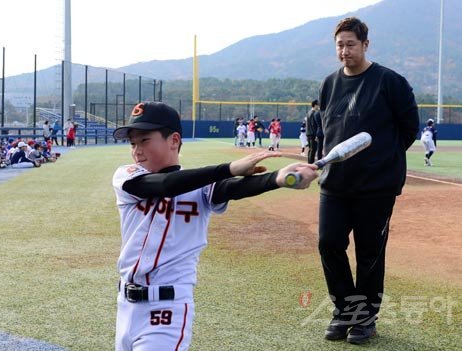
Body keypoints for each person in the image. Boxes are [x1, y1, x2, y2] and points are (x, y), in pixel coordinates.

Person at [111, 101, 318, 351]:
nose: (137, 151)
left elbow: (234, 187)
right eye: (133, 143)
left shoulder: (204, 187)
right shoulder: (128, 176)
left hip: (167, 309)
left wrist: (278, 178)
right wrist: (229, 169)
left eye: (144, 140)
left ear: (174, 140)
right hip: (125, 306)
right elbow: (165, 185)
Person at [317, 17, 419, 344]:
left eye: (350, 44)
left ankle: (364, 320)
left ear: (365, 45)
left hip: (376, 187)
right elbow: (326, 130)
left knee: (369, 253)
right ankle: (344, 311)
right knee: (329, 243)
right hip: (335, 184)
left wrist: (382, 162)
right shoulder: (329, 84)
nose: (344, 51)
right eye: (339, 45)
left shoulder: (390, 82)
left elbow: (408, 129)